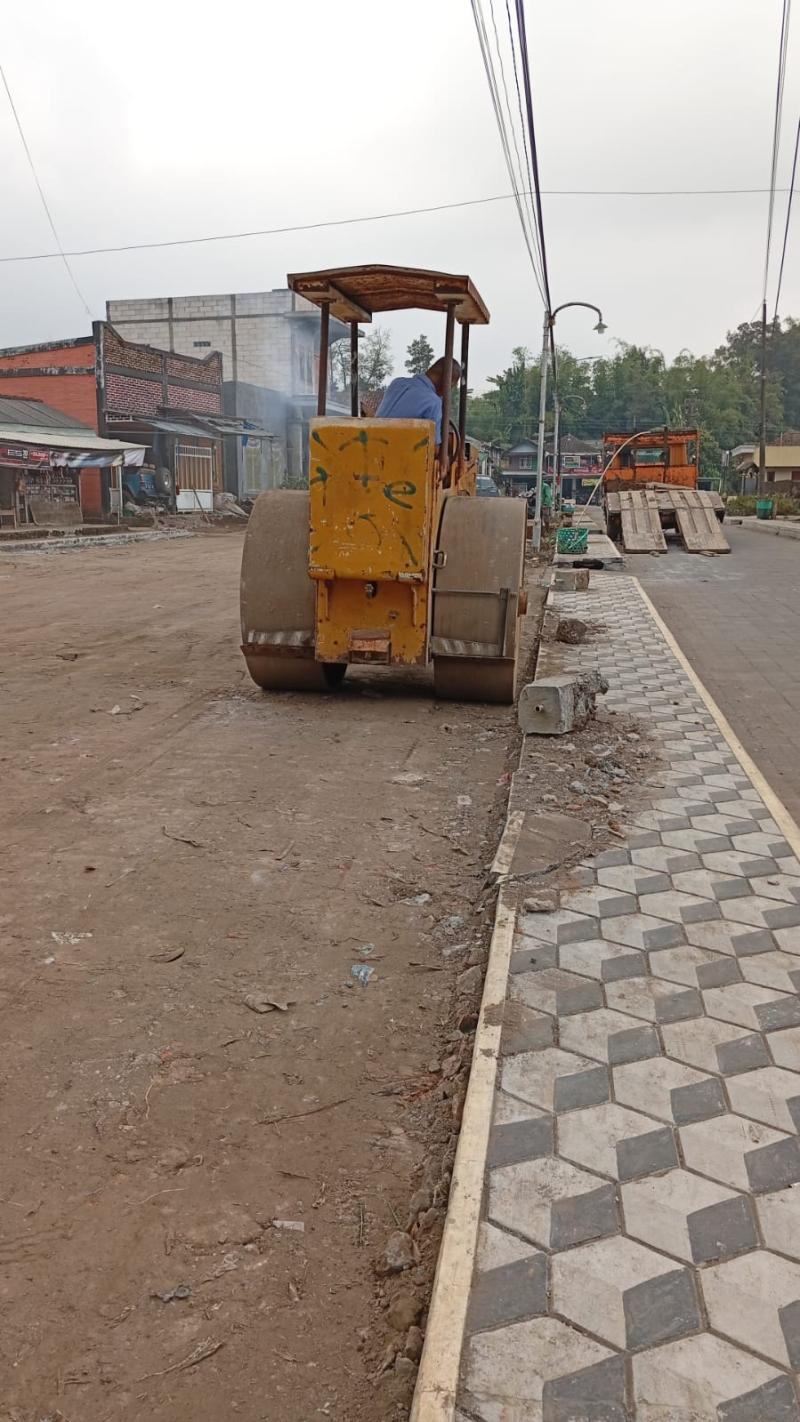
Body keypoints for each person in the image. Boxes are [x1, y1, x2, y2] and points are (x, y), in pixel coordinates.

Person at [376, 357, 461, 445]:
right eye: (452, 386)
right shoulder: (433, 402)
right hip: (397, 451)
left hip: (373, 444)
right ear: (448, 382)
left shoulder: (397, 383)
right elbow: (433, 448)